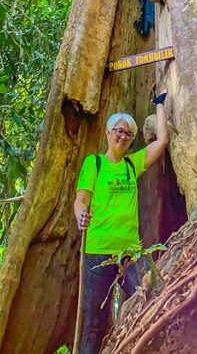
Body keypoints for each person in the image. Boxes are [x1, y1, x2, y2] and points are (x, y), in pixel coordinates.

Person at [74, 83, 170, 354]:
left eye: (129, 134)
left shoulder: (132, 164)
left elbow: (162, 142)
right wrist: (81, 216)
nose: (124, 137)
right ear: (108, 133)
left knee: (150, 301)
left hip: (130, 252)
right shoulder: (94, 164)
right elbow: (80, 200)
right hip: (97, 252)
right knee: (94, 324)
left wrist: (160, 102)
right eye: (119, 131)